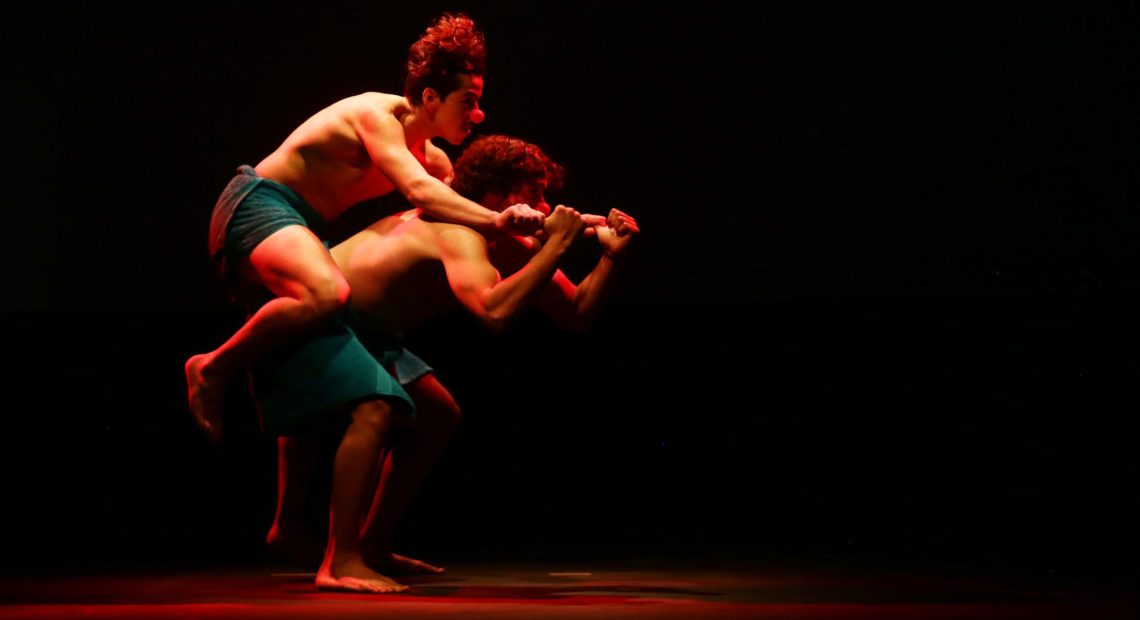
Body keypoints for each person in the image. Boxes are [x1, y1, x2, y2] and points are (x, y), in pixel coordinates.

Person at [185, 14, 545, 594]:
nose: (478, 115)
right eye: (469, 101)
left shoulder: (438, 161)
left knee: (337, 351)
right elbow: (425, 195)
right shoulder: (376, 116)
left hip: (302, 230)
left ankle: (329, 534)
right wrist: (501, 219)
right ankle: (212, 366)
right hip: (259, 204)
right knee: (327, 293)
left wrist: (565, 229)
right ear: (430, 97)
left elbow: (465, 212)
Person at [266, 134, 639, 582]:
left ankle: (373, 544)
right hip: (320, 319)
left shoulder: (505, 239)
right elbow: (493, 313)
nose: (545, 207)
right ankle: (340, 560)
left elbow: (575, 313)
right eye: (534, 193)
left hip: (372, 333)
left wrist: (610, 259)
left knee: (437, 415)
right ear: (494, 195)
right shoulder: (458, 230)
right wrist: (557, 245)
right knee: (376, 411)